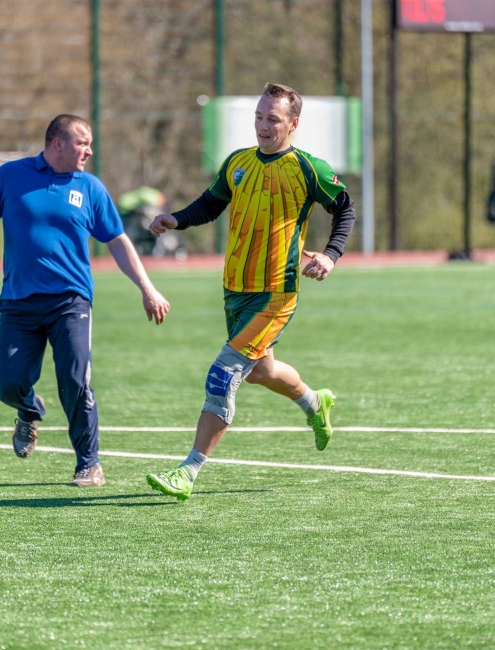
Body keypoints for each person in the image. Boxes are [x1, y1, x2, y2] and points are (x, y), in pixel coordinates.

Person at [146, 82, 356, 501]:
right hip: (235, 289)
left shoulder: (307, 168)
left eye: (272, 119)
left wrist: (331, 255)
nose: (263, 125)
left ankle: (188, 471)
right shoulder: (238, 162)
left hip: (277, 292)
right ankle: (316, 403)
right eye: (259, 117)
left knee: (224, 374)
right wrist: (176, 220)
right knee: (260, 370)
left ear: (292, 124)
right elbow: (210, 203)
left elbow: (344, 207)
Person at [0, 114, 170, 486]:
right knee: (8, 385)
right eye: (82, 143)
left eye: (89, 143)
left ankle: (89, 464)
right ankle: (29, 411)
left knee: (75, 380)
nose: (89, 150)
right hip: (18, 301)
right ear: (57, 143)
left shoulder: (90, 188)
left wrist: (147, 288)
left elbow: (117, 241)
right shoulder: (11, 175)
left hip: (70, 302)